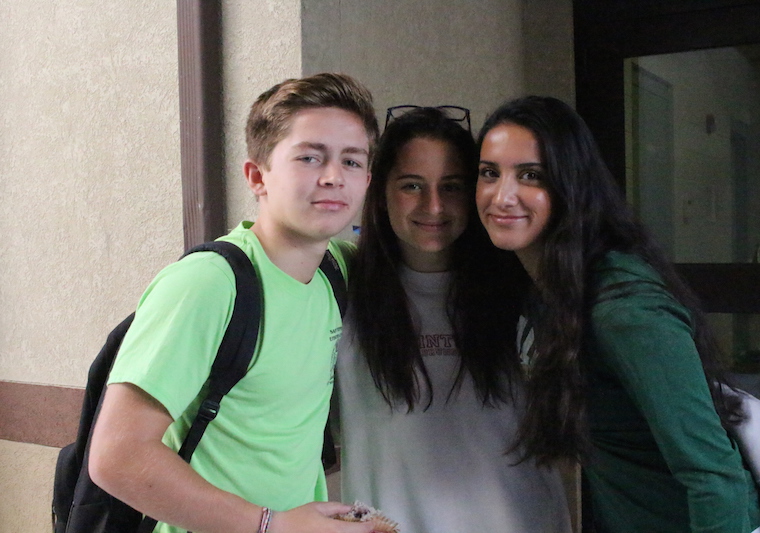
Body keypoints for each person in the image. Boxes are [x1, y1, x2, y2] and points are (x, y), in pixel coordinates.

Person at [88, 73, 380, 533]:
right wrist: (271, 526)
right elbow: (116, 456)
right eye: (309, 157)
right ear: (257, 176)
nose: (332, 177)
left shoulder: (337, 271)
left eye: (351, 161)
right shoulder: (209, 284)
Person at [474, 95, 760, 533]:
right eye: (489, 173)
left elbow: (714, 476)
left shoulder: (625, 310)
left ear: (570, 185)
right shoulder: (549, 292)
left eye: (531, 175)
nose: (502, 196)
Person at [337, 106, 573, 532]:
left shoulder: (523, 289)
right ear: (379, 190)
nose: (433, 206)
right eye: (412, 185)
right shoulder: (340, 292)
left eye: (452, 187)